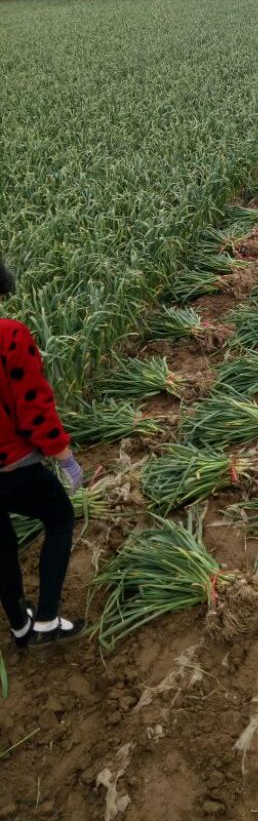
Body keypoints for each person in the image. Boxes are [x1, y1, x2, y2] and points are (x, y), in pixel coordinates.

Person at [0, 259, 85, 648]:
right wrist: (64, 456)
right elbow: (34, 405)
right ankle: (47, 621)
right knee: (60, 518)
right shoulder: (9, 336)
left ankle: (20, 625)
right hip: (11, 464)